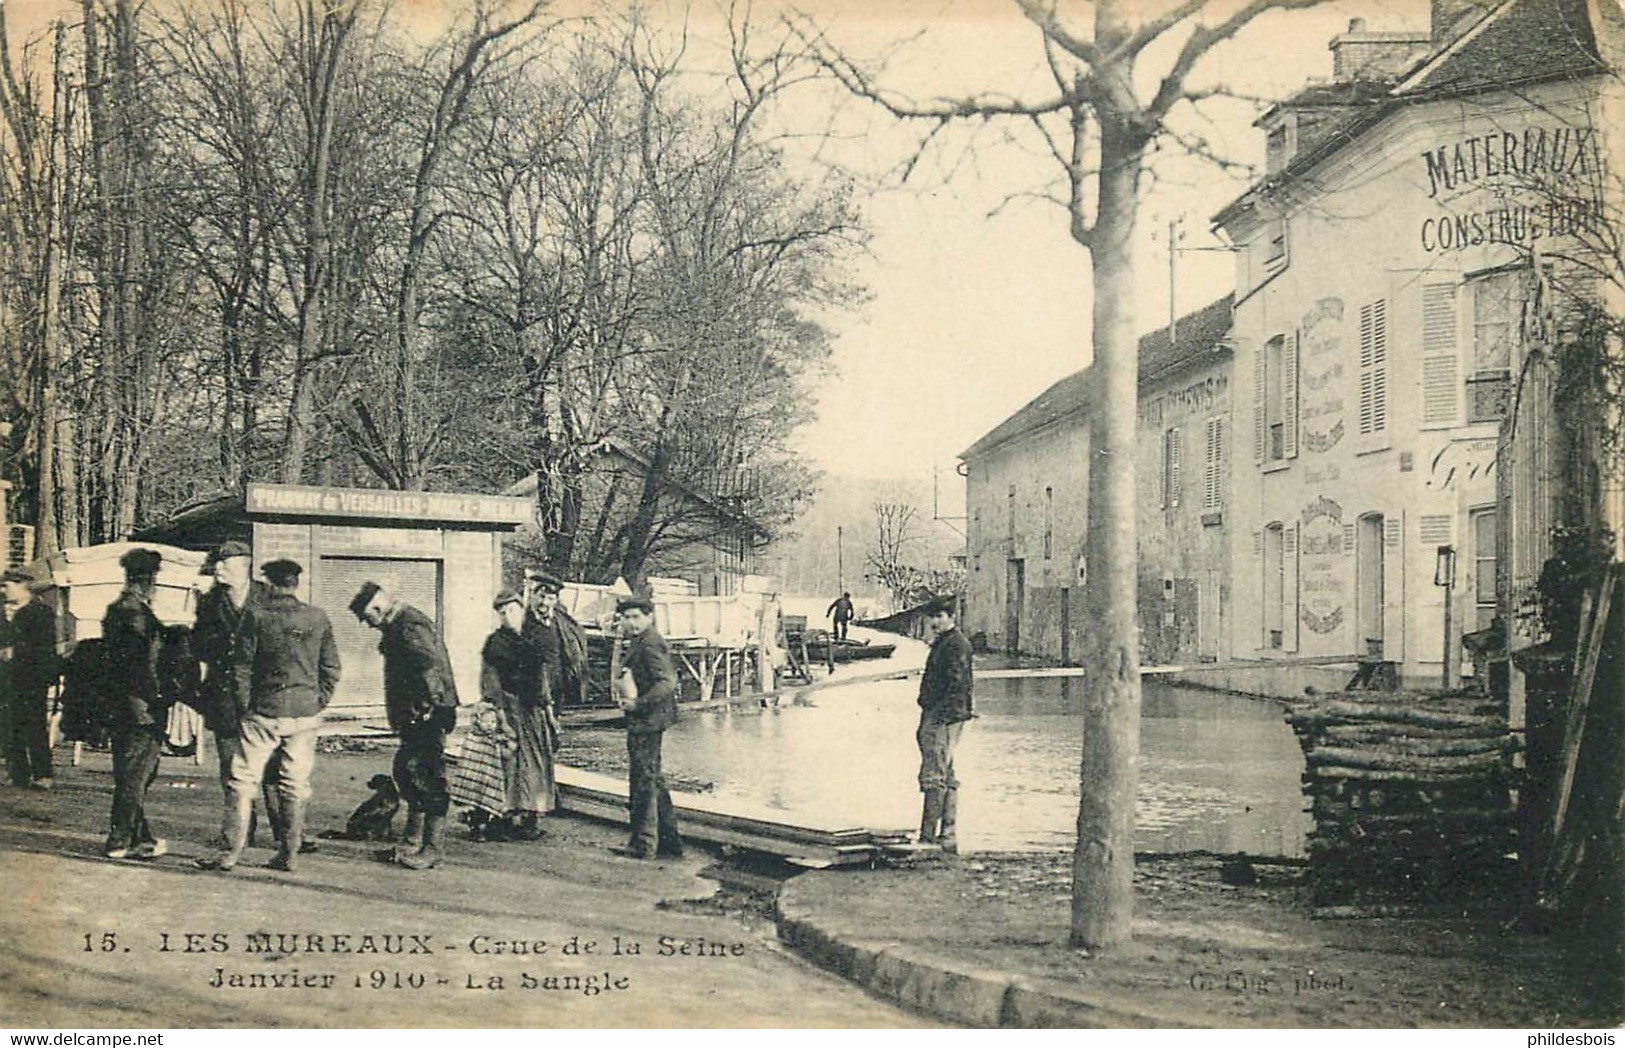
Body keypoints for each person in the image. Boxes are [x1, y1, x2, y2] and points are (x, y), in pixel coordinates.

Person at [198, 559, 339, 873]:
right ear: (296, 584)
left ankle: (229, 853)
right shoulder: (317, 617)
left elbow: (241, 668)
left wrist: (246, 705)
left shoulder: (255, 616)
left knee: (241, 781)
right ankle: (289, 854)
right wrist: (316, 701)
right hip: (304, 714)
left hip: (264, 711)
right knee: (295, 785)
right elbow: (331, 669)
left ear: (272, 584)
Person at [350, 581, 459, 870]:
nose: (367, 625)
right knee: (408, 774)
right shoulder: (400, 624)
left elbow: (429, 668)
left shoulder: (409, 626)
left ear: (377, 607)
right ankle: (411, 843)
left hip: (426, 716)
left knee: (427, 777)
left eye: (367, 618)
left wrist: (429, 709)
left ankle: (432, 848)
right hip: (416, 717)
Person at [191, 541, 287, 850]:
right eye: (216, 564)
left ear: (244, 565)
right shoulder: (208, 602)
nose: (217, 569)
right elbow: (199, 646)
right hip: (224, 698)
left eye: (224, 564)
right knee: (231, 768)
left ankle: (284, 832)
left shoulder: (268, 597)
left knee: (273, 766)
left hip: (263, 697)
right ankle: (240, 832)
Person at [101, 548, 170, 860]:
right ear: (149, 581)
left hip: (119, 704)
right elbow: (147, 666)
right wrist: (162, 696)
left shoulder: (116, 610)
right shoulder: (138, 616)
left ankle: (142, 838)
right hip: (142, 708)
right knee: (136, 775)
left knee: (132, 773)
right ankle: (119, 839)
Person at [612, 595, 682, 860]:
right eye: (626, 617)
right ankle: (669, 841)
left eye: (636, 617)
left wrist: (639, 704)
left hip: (648, 720)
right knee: (653, 779)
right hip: (650, 719)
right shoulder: (641, 640)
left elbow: (667, 682)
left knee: (642, 780)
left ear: (649, 616)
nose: (631, 623)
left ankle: (643, 845)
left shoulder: (650, 642)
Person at [915, 596, 973, 853]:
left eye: (940, 616)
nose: (935, 622)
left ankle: (928, 837)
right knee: (945, 772)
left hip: (943, 717)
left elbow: (958, 684)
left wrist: (942, 716)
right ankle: (947, 833)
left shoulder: (954, 645)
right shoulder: (945, 643)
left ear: (952, 617)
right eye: (932, 617)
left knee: (934, 775)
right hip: (942, 715)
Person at [3, 567, 58, 789]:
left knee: (34, 725)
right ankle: (17, 773)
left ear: (22, 586)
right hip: (5, 677)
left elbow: (45, 647)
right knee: (8, 725)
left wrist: (16, 651)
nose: (3, 590)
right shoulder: (3, 612)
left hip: (32, 678)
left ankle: (42, 774)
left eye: (7, 585)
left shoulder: (41, 612)